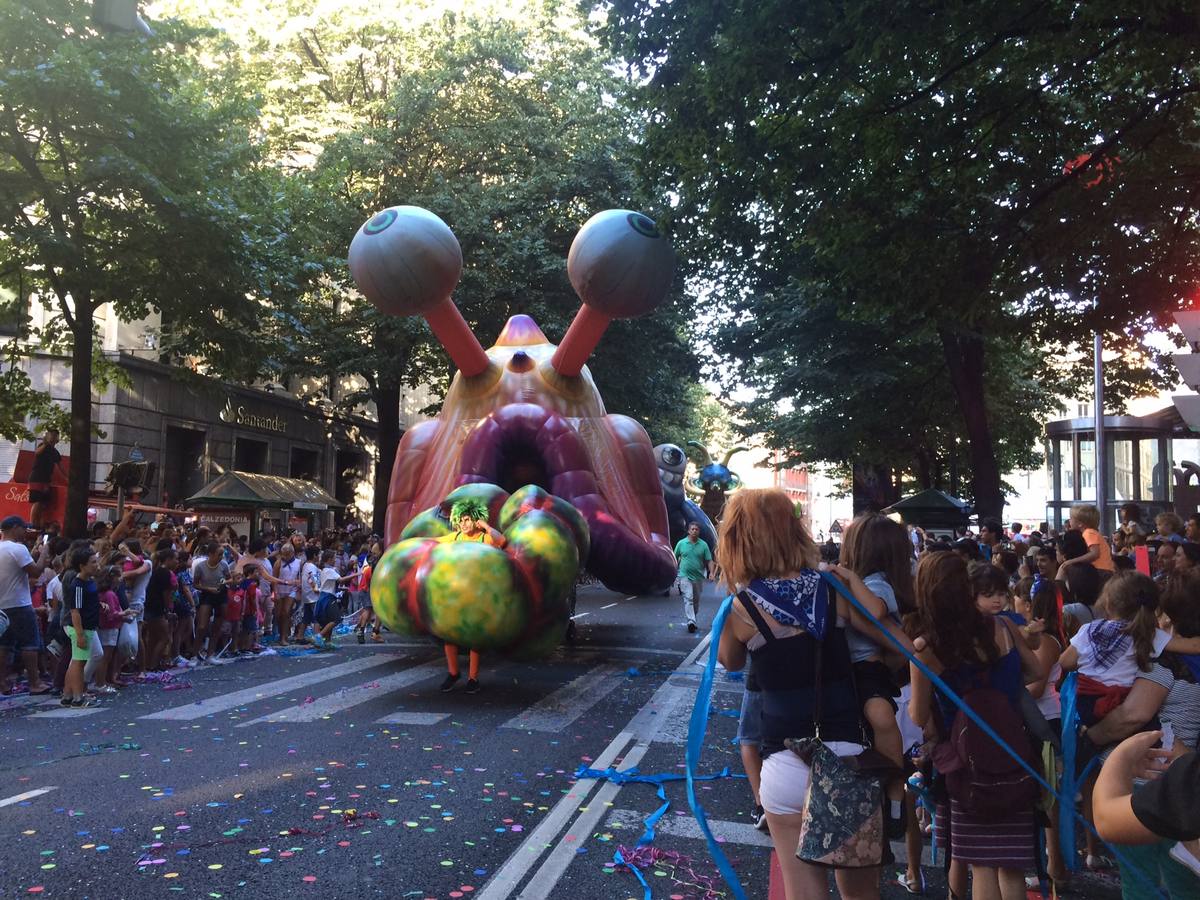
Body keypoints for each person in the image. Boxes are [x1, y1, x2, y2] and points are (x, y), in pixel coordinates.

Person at [716, 489, 898, 900]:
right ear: (793, 531)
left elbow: (729, 661)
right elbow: (887, 631)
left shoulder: (741, 607)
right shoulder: (832, 590)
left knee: (803, 893)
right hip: (848, 757)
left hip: (782, 759)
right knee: (861, 894)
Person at [908, 551, 1042, 900]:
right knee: (1011, 863)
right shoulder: (1004, 626)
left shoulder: (930, 647)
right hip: (1016, 751)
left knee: (981, 862)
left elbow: (917, 716)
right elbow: (1035, 672)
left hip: (968, 761)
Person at [837, 512, 916, 839]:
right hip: (851, 667)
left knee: (880, 714)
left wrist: (848, 578)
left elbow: (873, 612)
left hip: (869, 667)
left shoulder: (875, 583)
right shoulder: (864, 581)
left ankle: (895, 791)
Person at [1059, 571, 1200, 727]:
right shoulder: (1149, 635)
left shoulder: (1089, 630)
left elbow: (1065, 662)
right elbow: (1193, 646)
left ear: (1107, 603)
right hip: (1122, 703)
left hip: (1087, 705)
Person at [435, 498, 506, 694]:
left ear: (476, 520)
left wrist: (485, 526)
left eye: (468, 520)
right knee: (448, 635)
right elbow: (431, 544)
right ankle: (453, 673)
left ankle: (473, 678)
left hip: (478, 596)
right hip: (454, 595)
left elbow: (501, 541)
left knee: (474, 637)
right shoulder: (455, 537)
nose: (464, 524)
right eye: (461, 520)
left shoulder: (485, 538)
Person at [0, 515, 53, 695]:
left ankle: (2, 682)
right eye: (23, 529)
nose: (25, 533)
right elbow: (36, 572)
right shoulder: (18, 548)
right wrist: (45, 551)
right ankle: (35, 682)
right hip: (19, 603)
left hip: (2, 604)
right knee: (29, 643)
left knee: (4, 644)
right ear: (15, 528)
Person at [62, 547, 101, 708]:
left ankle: (68, 695)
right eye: (93, 562)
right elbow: (75, 611)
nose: (96, 565)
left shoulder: (89, 581)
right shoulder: (78, 585)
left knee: (76, 662)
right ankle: (78, 697)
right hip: (81, 628)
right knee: (79, 663)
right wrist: (79, 634)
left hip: (88, 627)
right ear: (81, 566)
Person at [191, 541, 231, 661]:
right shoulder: (200, 567)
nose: (221, 557)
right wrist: (208, 588)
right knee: (202, 626)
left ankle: (210, 654)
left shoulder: (223, 565)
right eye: (219, 554)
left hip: (220, 594)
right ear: (211, 554)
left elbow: (229, 579)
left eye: (222, 554)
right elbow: (196, 584)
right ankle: (195, 654)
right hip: (207, 594)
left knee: (217, 625)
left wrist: (225, 582)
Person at [674, 521, 713, 634]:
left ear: (699, 531)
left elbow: (709, 560)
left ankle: (693, 619)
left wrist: (712, 573)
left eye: (697, 529)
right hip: (684, 575)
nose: (694, 531)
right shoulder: (681, 543)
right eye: (692, 529)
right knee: (688, 598)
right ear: (688, 531)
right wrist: (673, 572)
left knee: (696, 601)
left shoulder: (703, 545)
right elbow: (674, 557)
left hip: (698, 577)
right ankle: (691, 621)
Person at [142, 548, 175, 670]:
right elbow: (166, 594)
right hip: (157, 608)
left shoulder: (157, 571)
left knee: (154, 638)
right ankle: (153, 664)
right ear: (168, 560)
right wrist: (168, 610)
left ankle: (148, 663)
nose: (176, 561)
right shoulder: (165, 573)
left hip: (150, 606)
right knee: (164, 637)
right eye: (175, 559)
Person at [26, 428, 65, 529]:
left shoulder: (55, 452)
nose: (53, 437)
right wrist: (45, 443)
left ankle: (39, 524)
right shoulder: (43, 446)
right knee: (37, 501)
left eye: (55, 435)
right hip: (37, 478)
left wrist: (68, 478)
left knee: (43, 504)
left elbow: (61, 467)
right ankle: (32, 524)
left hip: (46, 480)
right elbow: (37, 453)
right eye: (51, 435)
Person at [1060, 503, 1115, 573]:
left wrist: (1072, 561)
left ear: (1080, 524)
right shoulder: (1092, 533)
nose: (1069, 521)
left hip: (1101, 571)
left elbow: (1094, 554)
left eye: (1071, 518)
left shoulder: (1089, 533)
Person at [273, 543, 301, 645]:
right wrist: (275, 592)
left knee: (286, 612)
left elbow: (300, 578)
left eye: (287, 554)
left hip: (292, 590)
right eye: (283, 554)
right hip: (280, 589)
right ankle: (282, 633)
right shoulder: (278, 562)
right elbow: (274, 579)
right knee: (279, 614)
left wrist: (299, 589)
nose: (285, 557)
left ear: (292, 553)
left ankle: (283, 637)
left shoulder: (299, 562)